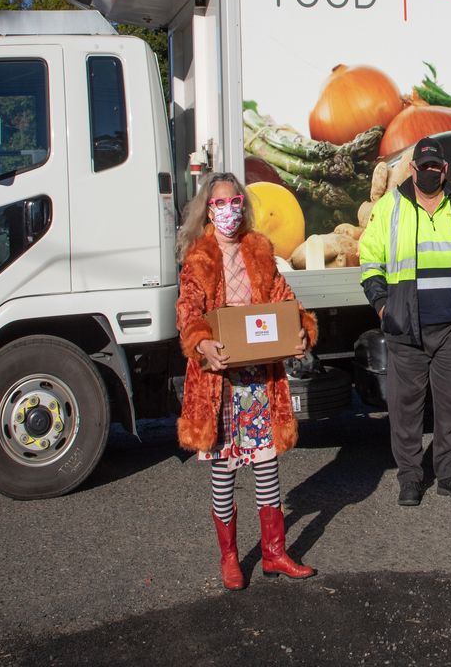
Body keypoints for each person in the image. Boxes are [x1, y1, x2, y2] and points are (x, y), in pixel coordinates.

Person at [176, 171, 319, 589]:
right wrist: (201, 343)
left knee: (267, 465)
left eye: (235, 202)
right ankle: (230, 558)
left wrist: (301, 329)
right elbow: (188, 311)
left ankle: (274, 554)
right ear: (208, 209)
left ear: (244, 205)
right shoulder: (199, 257)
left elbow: (284, 298)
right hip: (220, 384)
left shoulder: (258, 250)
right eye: (219, 204)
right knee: (225, 469)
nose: (228, 211)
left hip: (259, 381)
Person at [359, 137, 451, 506]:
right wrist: (384, 307)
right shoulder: (389, 207)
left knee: (450, 405)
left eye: (436, 167)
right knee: (406, 408)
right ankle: (410, 480)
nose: (430, 173)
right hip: (406, 326)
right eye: (423, 167)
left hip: (450, 326)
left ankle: (449, 475)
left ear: (444, 169)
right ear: (412, 169)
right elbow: (370, 259)